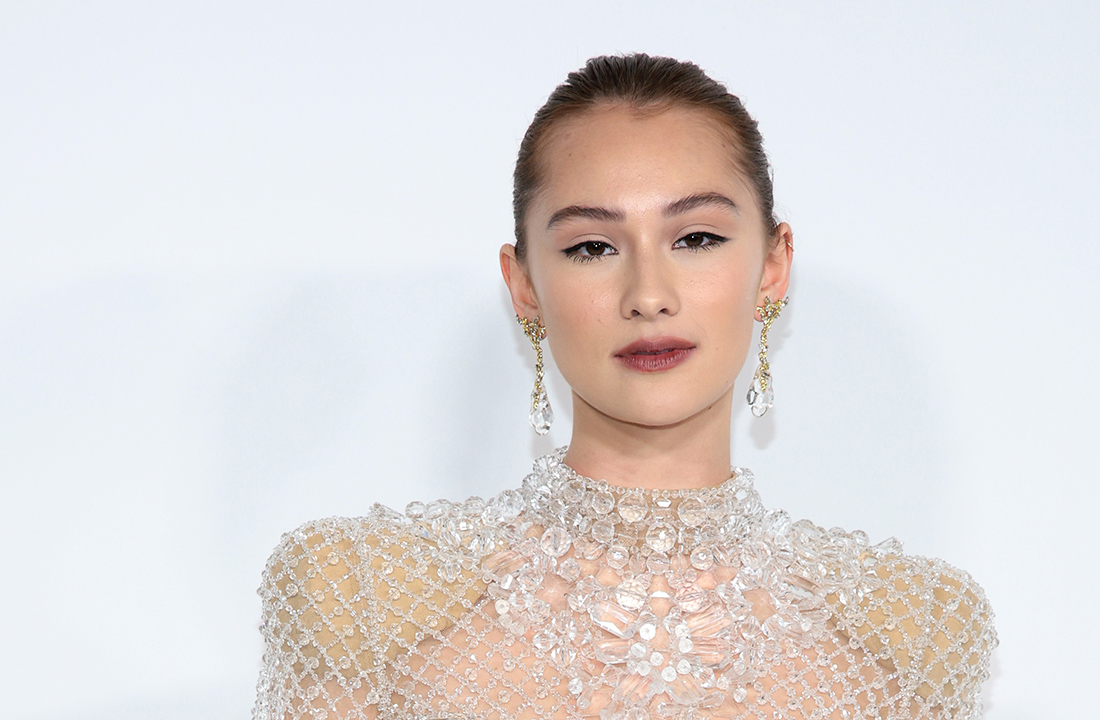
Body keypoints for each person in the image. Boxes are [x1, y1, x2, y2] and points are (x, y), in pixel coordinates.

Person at [253, 53, 996, 720]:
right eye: (592, 247)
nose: (648, 293)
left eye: (696, 238)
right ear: (525, 288)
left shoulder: (917, 631)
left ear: (774, 265)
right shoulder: (361, 595)